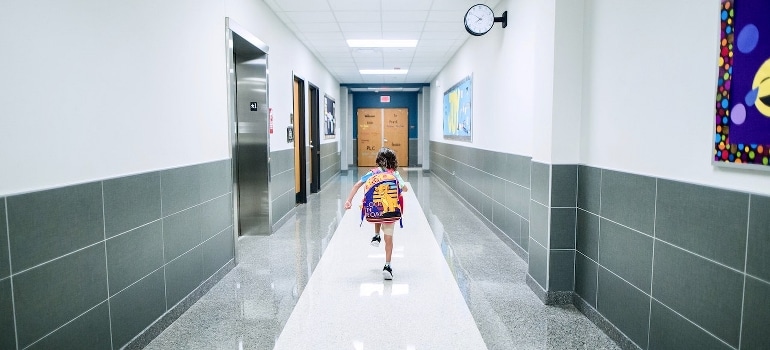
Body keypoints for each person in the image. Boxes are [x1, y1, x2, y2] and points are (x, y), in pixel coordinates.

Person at [344, 147, 408, 280]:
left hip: (374, 210)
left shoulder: (373, 172)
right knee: (389, 238)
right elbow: (405, 188)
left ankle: (376, 235)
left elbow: (357, 185)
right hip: (390, 211)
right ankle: (387, 265)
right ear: (393, 161)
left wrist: (348, 201)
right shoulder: (394, 174)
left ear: (378, 160)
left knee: (377, 208)